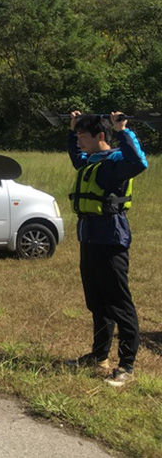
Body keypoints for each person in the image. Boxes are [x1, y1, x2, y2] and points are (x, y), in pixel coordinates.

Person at [67, 111, 147, 387]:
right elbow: (74, 155)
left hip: (111, 240)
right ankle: (99, 356)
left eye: (83, 136)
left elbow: (139, 162)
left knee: (119, 303)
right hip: (89, 239)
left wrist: (123, 129)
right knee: (97, 301)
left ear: (101, 137)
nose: (79, 141)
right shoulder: (90, 161)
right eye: (77, 136)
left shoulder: (116, 163)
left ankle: (126, 366)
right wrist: (73, 127)